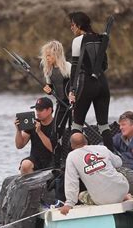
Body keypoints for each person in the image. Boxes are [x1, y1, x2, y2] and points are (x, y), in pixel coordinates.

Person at [67, 11, 114, 151]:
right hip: (103, 85)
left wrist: (72, 91)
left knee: (77, 125)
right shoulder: (101, 39)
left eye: (72, 24)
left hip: (86, 85)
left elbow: (75, 69)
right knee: (103, 125)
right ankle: (112, 157)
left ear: (79, 25)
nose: (71, 27)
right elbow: (104, 66)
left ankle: (74, 159)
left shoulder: (77, 41)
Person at [60, 133, 130, 215]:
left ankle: (115, 197)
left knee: (82, 195)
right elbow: (118, 163)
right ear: (86, 141)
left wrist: (69, 203)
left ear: (71, 146)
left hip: (102, 200)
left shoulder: (71, 156)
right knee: (119, 173)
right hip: (123, 190)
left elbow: (71, 181)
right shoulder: (102, 148)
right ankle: (122, 197)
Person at [40, 40, 72, 168]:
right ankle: (57, 162)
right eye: (46, 55)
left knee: (74, 132)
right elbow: (50, 88)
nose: (47, 58)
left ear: (57, 54)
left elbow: (77, 84)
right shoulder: (48, 70)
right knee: (56, 133)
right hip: (61, 105)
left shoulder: (68, 67)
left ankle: (75, 160)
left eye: (50, 55)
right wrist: (48, 90)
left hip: (73, 105)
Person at [15, 97, 56, 174]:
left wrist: (39, 132)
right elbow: (19, 145)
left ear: (50, 110)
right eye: (37, 109)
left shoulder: (56, 125)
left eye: (41, 110)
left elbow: (53, 148)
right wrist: (18, 130)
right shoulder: (33, 123)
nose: (37, 113)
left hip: (52, 160)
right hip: (36, 160)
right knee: (25, 165)